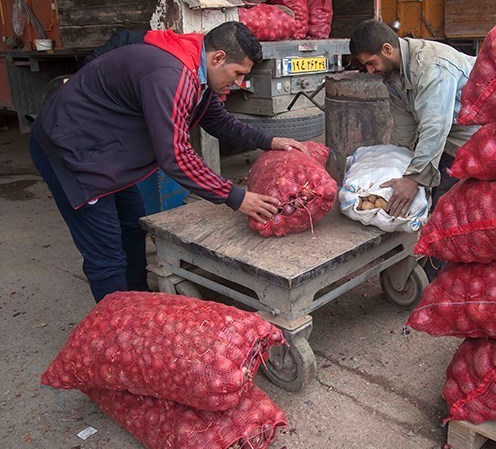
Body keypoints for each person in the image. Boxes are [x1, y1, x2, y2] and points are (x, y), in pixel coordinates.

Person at [30, 21, 308, 302]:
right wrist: (236, 197)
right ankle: (117, 331)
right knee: (107, 254)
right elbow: (175, 156)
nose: (238, 83)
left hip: (105, 149)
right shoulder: (172, 75)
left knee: (130, 224)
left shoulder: (198, 72)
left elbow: (219, 120)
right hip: (72, 150)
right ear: (218, 57)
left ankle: (140, 301)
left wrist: (269, 141)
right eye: (237, 73)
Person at [348, 19, 479, 279]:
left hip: (474, 141)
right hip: (446, 138)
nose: (370, 71)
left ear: (387, 49)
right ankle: (425, 262)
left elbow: (435, 125)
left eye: (370, 63)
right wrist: (397, 165)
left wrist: (414, 177)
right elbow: (404, 128)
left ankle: (438, 278)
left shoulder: (430, 66)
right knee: (428, 199)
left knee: (446, 208)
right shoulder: (393, 75)